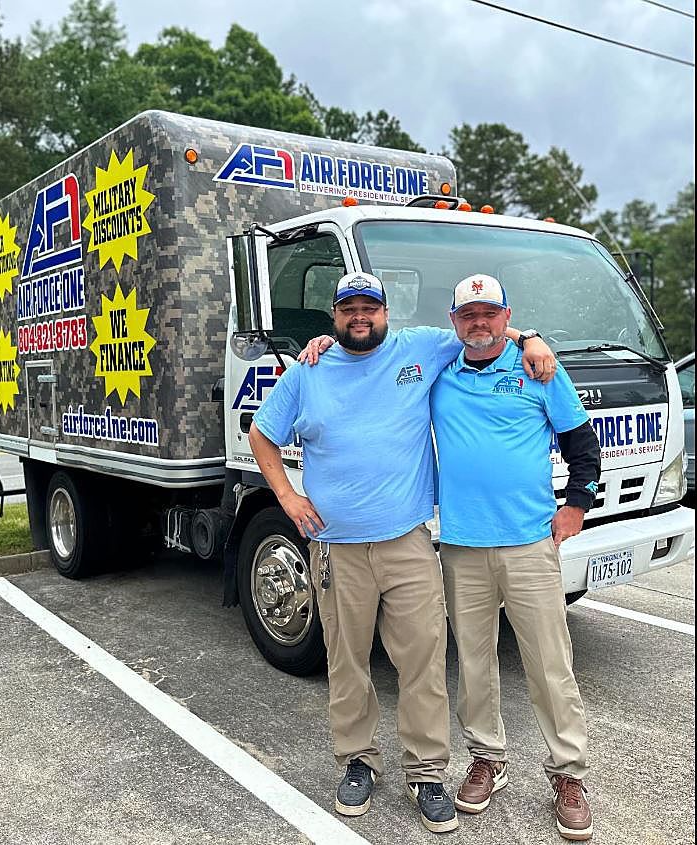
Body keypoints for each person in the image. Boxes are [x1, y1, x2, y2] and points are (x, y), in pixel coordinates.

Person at [248, 271, 556, 835]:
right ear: (333, 318)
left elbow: (482, 331)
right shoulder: (307, 372)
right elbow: (262, 434)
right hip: (336, 546)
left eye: (369, 307)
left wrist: (530, 337)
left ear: (386, 313)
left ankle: (426, 772)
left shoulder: (420, 348)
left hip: (409, 543)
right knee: (347, 661)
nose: (358, 317)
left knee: (423, 662)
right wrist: (287, 495)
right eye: (347, 310)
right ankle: (358, 762)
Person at [431, 274, 601, 842]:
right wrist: (324, 343)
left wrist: (577, 504)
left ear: (507, 317)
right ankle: (487, 759)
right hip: (462, 545)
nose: (479, 323)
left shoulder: (537, 368)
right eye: (468, 314)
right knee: (474, 662)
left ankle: (568, 774)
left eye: (490, 313)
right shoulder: (440, 372)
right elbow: (375, 346)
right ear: (454, 322)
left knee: (550, 664)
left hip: (529, 543)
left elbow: (581, 441)